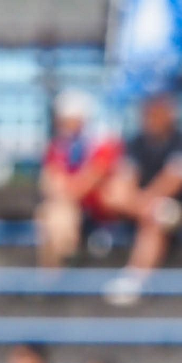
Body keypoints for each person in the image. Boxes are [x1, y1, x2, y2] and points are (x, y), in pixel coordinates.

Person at [103, 93, 182, 306]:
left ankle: (135, 279)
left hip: (179, 212)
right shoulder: (136, 143)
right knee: (121, 198)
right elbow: (123, 181)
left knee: (157, 215)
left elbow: (173, 182)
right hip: (146, 208)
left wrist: (140, 202)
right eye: (148, 113)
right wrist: (142, 204)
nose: (151, 118)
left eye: (156, 113)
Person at [35, 89, 125, 269]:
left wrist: (63, 192)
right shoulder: (59, 145)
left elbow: (91, 180)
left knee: (56, 213)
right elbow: (50, 179)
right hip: (72, 206)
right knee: (53, 214)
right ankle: (56, 268)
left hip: (101, 211)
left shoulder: (103, 142)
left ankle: (57, 270)